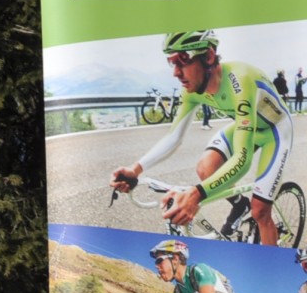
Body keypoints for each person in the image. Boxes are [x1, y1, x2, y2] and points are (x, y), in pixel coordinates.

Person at [111, 30, 294, 245]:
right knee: (205, 169)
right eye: (172, 62)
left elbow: (242, 159)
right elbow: (173, 137)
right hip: (247, 124)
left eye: (183, 60)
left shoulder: (240, 80)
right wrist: (135, 169)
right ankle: (239, 204)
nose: (176, 73)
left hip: (275, 131)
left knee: (260, 211)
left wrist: (196, 195)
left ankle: (270, 259)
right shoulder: (191, 90)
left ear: (208, 56)